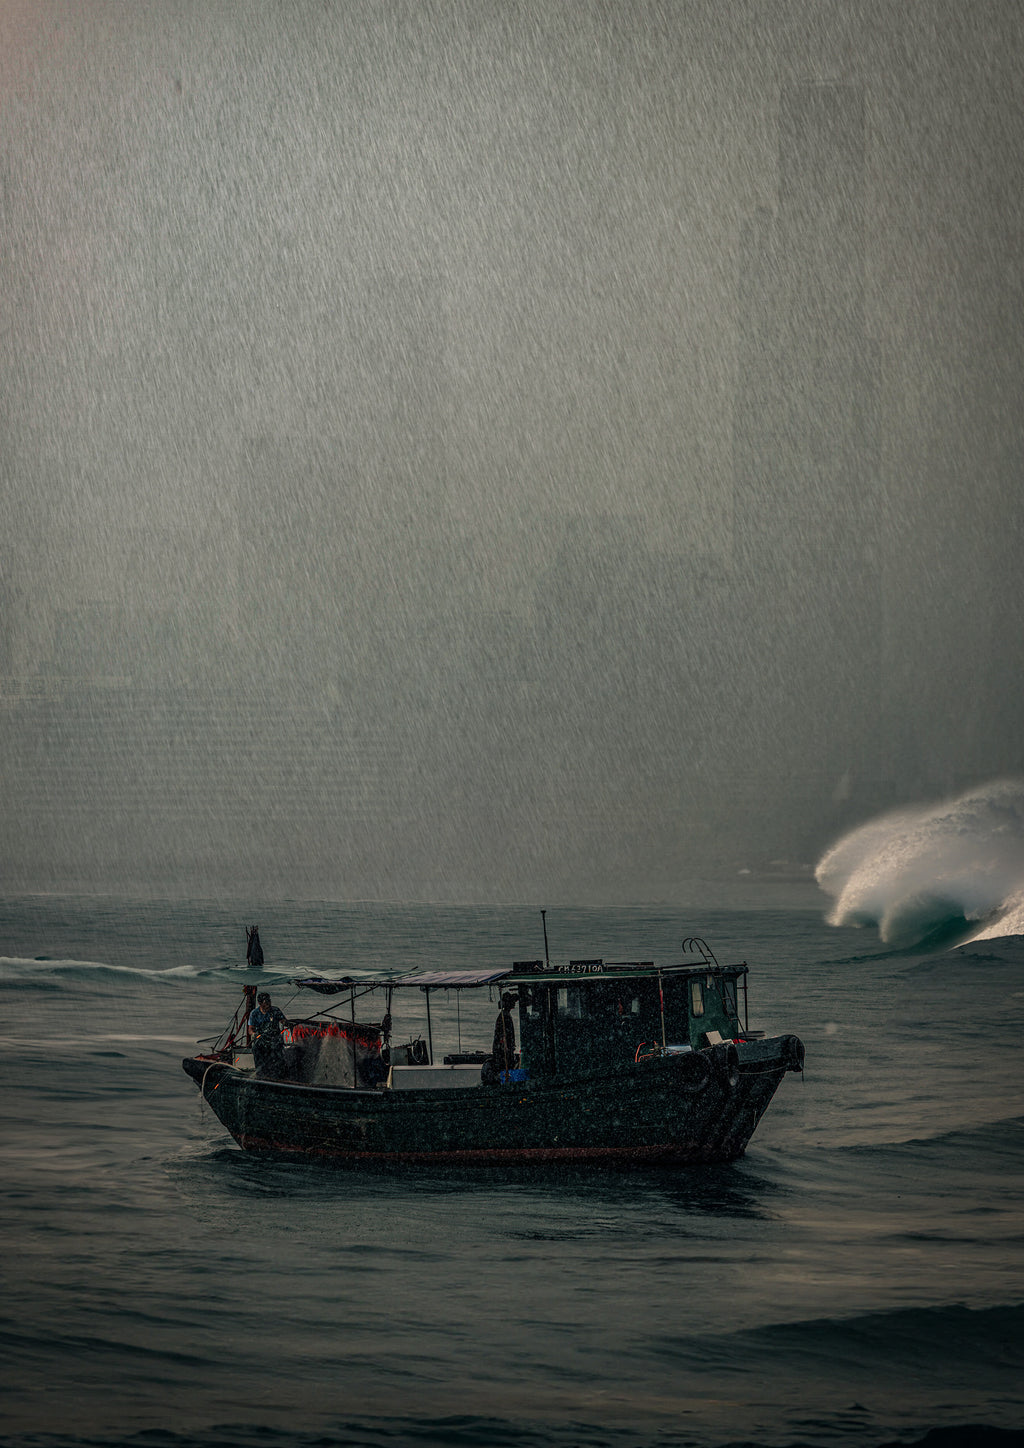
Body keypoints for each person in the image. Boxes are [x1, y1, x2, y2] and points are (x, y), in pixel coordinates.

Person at [248, 991, 289, 1078]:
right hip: (261, 1039)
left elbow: (284, 1022)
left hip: (275, 1039)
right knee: (256, 1048)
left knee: (277, 1054)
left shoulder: (275, 1011)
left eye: (269, 1001)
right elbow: (250, 1029)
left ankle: (280, 1075)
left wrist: (287, 1023)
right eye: (266, 1002)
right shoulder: (254, 1013)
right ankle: (260, 1074)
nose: (268, 1004)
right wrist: (254, 1034)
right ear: (260, 1003)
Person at [490, 992, 518, 1079]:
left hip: (503, 1048)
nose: (514, 1004)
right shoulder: (504, 1016)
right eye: (512, 1002)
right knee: (505, 1067)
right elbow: (502, 1034)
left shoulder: (505, 1015)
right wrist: (505, 1046)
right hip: (502, 1050)